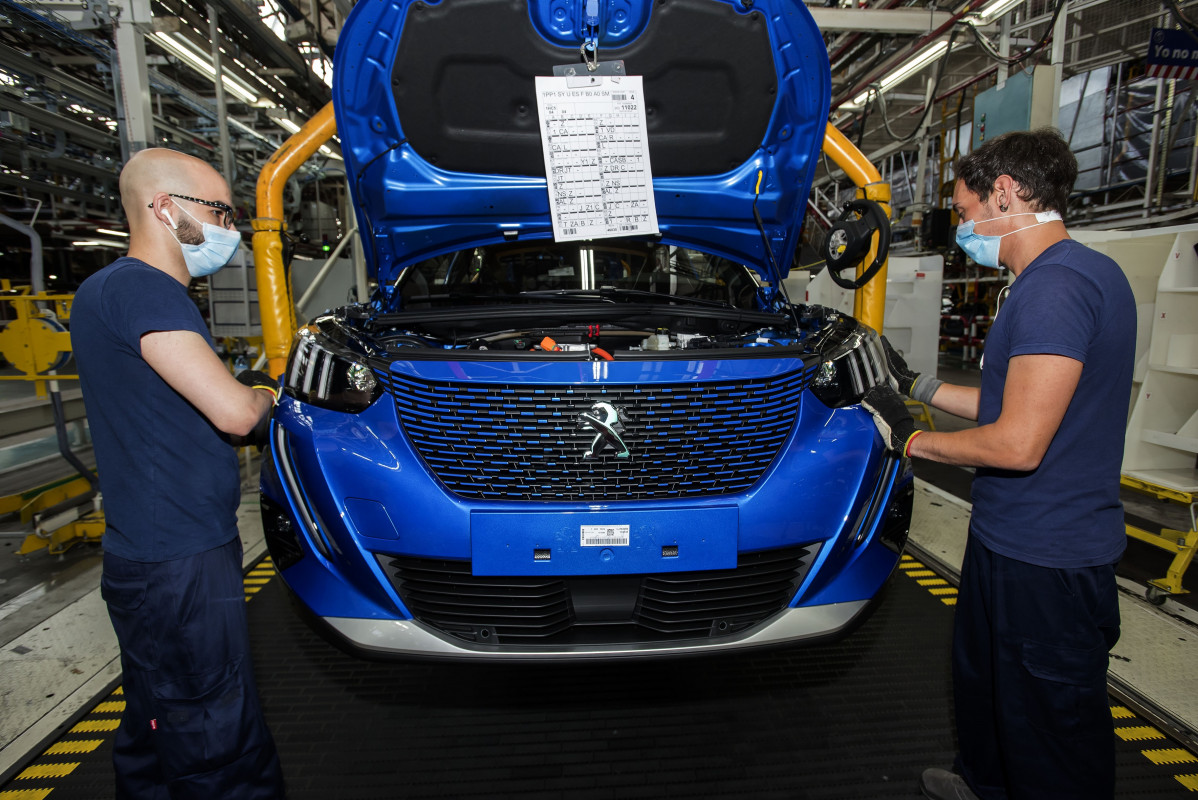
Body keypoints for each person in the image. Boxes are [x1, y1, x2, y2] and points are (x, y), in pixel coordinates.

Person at [861, 128, 1135, 800]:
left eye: (962, 211)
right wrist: (915, 389)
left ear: (1004, 194)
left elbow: (1017, 442)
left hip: (1048, 556)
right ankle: (986, 785)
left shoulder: (1054, 290)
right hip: (1009, 538)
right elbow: (1010, 399)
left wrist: (910, 441)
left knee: (1050, 726)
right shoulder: (1079, 274)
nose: (961, 227)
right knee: (987, 689)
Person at [71, 148, 286, 799]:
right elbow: (232, 412)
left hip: (149, 556)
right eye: (218, 211)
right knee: (216, 740)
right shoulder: (143, 288)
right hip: (179, 563)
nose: (228, 227)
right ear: (164, 209)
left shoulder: (104, 290)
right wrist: (279, 398)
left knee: (155, 726)